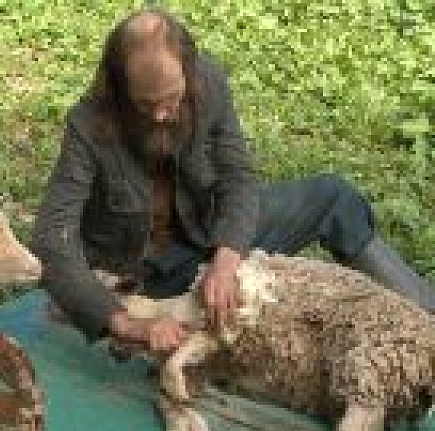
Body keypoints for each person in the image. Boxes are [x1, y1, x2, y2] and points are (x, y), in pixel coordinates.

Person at [30, 8, 435, 354]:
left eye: (170, 99)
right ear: (119, 87)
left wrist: (226, 261)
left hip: (205, 239)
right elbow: (52, 238)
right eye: (145, 104)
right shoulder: (89, 123)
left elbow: (238, 176)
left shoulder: (207, 82)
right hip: (141, 277)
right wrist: (125, 323)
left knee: (333, 197)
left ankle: (428, 316)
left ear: (188, 68)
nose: (160, 115)